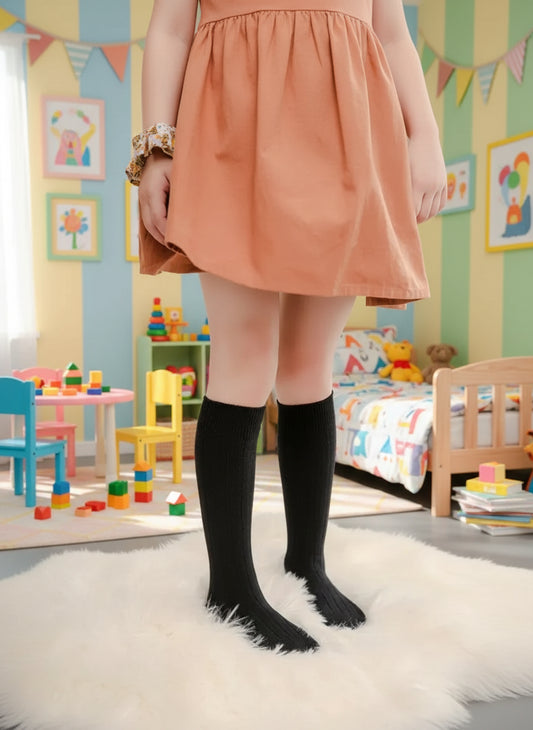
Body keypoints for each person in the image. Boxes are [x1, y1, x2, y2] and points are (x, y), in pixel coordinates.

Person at [126, 0, 446, 653]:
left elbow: (391, 31)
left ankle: (307, 563)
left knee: (307, 363)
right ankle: (230, 586)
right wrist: (156, 148)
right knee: (244, 354)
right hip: (232, 123)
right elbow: (170, 26)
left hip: (350, 129)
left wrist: (426, 138)